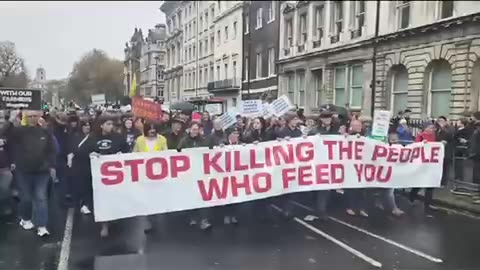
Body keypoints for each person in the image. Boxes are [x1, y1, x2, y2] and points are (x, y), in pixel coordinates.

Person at [11, 110, 57, 237]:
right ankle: (25, 218)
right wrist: (10, 120)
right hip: (24, 171)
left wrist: (51, 165)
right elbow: (5, 134)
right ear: (26, 117)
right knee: (26, 198)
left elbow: (52, 149)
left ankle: (42, 226)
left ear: (39, 117)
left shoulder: (45, 132)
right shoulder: (19, 131)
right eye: (29, 116)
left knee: (41, 197)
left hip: (42, 172)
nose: (32, 119)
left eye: (34, 116)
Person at [86, 116, 129, 237]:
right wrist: (91, 154)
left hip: (115, 175)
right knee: (102, 201)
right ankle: (104, 225)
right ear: (101, 125)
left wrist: (122, 154)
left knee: (115, 199)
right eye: (108, 124)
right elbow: (84, 151)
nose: (111, 126)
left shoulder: (118, 137)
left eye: (112, 124)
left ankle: (117, 220)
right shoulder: (93, 137)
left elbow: (126, 150)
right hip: (99, 176)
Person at [177, 122, 211, 229]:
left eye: (197, 129)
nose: (195, 131)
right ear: (189, 130)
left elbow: (211, 152)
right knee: (191, 196)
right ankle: (192, 218)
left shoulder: (204, 140)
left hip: (201, 172)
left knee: (203, 197)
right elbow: (178, 153)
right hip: (189, 173)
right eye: (193, 129)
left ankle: (204, 220)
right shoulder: (184, 140)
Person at [308, 110, 339, 220]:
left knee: (325, 188)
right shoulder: (314, 131)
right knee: (318, 189)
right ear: (321, 119)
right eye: (325, 118)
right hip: (317, 163)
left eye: (329, 118)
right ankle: (319, 209)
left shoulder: (335, 130)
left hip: (329, 163)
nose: (327, 120)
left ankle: (321, 210)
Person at [410, 122, 437, 215]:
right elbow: (415, 147)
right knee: (419, 183)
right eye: (430, 128)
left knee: (430, 184)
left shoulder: (433, 136)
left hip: (431, 163)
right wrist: (422, 143)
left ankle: (428, 203)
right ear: (425, 128)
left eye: (433, 128)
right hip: (421, 163)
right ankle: (412, 198)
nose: (432, 129)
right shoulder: (420, 136)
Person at [67, 120, 93, 215]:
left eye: (89, 125)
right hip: (77, 164)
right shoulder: (75, 137)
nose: (87, 127)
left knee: (87, 185)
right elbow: (73, 149)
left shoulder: (92, 137)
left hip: (88, 164)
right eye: (85, 126)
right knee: (78, 185)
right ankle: (78, 202)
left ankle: (85, 204)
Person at [344, 120, 369, 217]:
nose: (358, 127)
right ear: (351, 126)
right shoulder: (348, 135)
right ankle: (350, 207)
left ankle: (362, 208)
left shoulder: (365, 135)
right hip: (350, 165)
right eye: (356, 125)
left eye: (359, 125)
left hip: (361, 165)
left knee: (362, 189)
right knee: (351, 189)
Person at [0, 110, 13, 216]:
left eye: (1, 119)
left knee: (4, 189)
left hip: (5, 167)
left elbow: (13, 148)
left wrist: (13, 162)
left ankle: (6, 207)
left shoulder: (8, 133)